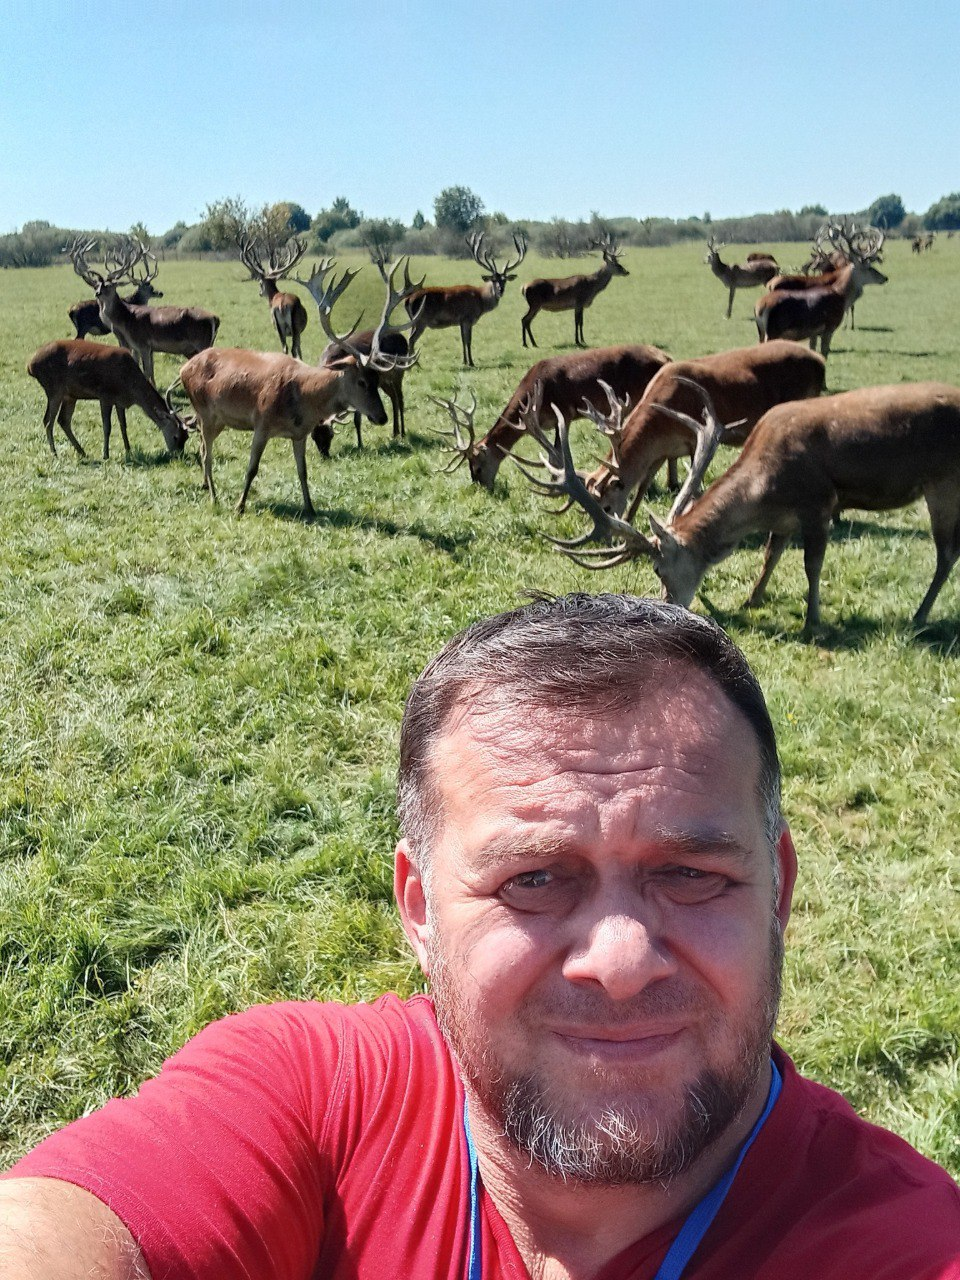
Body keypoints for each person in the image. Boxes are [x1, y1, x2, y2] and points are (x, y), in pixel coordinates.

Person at [1, 593, 958, 1280]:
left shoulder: (905, 1245)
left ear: (779, 888)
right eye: (533, 880)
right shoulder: (318, 1098)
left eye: (691, 874)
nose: (621, 962)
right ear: (418, 908)